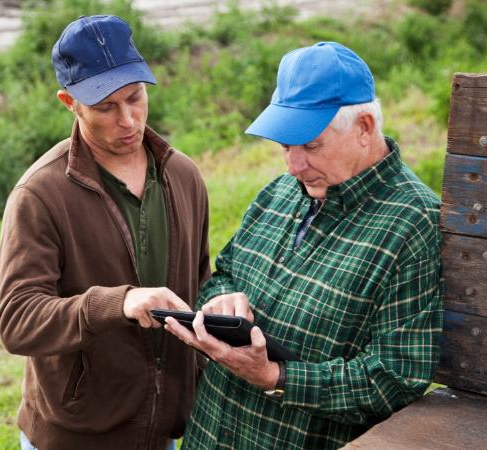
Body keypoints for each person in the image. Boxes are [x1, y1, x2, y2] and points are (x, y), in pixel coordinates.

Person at [163, 41, 444, 449]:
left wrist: (276, 378)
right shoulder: (280, 192)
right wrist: (222, 301)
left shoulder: (414, 225)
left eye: (311, 145)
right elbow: (223, 276)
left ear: (364, 127)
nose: (293, 165)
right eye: (285, 145)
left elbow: (396, 378)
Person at [0, 15, 211, 450]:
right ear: (68, 102)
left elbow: (200, 281)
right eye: (105, 107)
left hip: (162, 433)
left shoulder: (184, 175)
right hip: (72, 437)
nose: (128, 120)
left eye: (135, 97)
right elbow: (16, 321)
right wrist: (119, 302)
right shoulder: (39, 194)